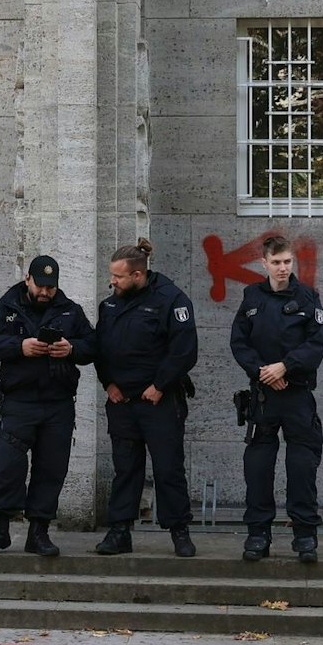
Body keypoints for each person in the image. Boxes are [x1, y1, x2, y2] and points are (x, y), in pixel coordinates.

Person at [0, 255, 95, 559]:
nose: (45, 292)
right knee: (8, 468)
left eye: (51, 287)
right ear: (28, 279)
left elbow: (94, 345)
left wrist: (72, 348)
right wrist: (20, 347)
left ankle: (39, 532)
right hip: (19, 401)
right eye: (41, 285)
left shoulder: (70, 311)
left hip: (58, 404)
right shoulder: (3, 310)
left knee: (51, 469)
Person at [92, 239, 199, 557]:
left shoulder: (171, 299)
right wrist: (108, 382)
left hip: (159, 400)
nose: (112, 281)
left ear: (138, 275)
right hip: (122, 403)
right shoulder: (110, 304)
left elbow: (184, 350)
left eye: (119, 276)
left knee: (168, 468)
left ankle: (179, 531)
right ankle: (120, 531)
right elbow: (101, 348)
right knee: (125, 468)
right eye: (112, 276)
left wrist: (161, 385)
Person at [229, 234, 323, 563]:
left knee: (301, 466)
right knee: (258, 467)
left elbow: (317, 343)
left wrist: (285, 367)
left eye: (287, 262)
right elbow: (239, 342)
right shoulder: (251, 297)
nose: (283, 268)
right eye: (276, 262)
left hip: (297, 394)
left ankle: (304, 537)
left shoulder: (307, 297)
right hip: (263, 397)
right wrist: (263, 372)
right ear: (264, 264)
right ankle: (258, 534)